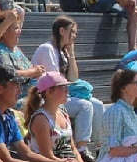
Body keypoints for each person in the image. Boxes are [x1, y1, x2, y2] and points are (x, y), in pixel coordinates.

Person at [31, 15, 107, 154]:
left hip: (62, 93)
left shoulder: (63, 51)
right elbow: (54, 81)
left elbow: (73, 77)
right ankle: (82, 148)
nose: (74, 36)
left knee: (98, 104)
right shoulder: (47, 49)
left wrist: (71, 53)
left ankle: (99, 147)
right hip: (49, 98)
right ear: (61, 31)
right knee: (85, 106)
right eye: (72, 32)